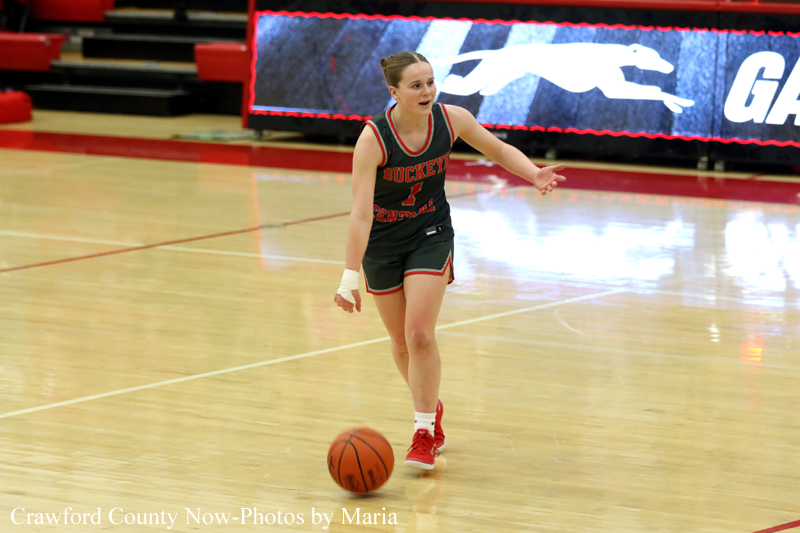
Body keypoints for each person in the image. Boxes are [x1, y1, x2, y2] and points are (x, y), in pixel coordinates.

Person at [334, 51, 566, 469]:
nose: (427, 91)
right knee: (401, 343)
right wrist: (349, 276)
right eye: (415, 85)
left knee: (420, 334)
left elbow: (497, 149)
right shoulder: (373, 139)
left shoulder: (450, 119)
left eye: (430, 82)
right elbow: (361, 215)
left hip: (431, 234)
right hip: (383, 245)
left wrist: (533, 173)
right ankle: (431, 405)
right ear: (394, 92)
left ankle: (424, 431)